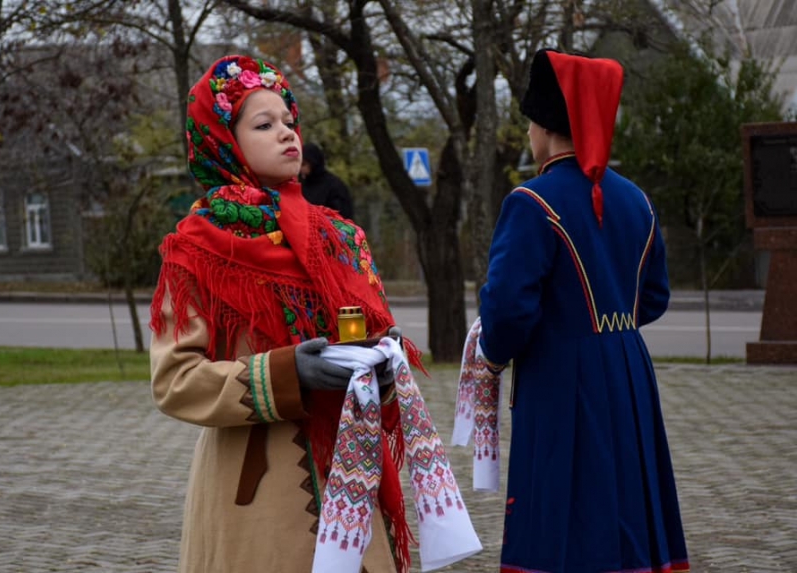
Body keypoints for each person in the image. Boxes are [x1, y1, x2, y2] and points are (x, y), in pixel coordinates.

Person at [149, 55, 418, 573]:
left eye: (289, 122)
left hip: (351, 477)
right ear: (224, 140)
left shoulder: (340, 237)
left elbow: (372, 334)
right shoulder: (198, 248)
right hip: (258, 494)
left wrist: (385, 365)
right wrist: (284, 372)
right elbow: (174, 380)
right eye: (264, 124)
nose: (286, 134)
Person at [477, 49, 690, 572]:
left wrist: (491, 353)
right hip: (628, 367)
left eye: (530, 122)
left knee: (564, 498)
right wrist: (611, 324)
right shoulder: (637, 199)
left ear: (545, 127)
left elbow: (507, 310)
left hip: (561, 371)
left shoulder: (531, 201)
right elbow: (655, 297)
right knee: (625, 489)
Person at [300, 142, 355, 219]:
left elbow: (343, 216)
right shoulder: (302, 186)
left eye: (303, 164)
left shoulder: (335, 186)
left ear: (314, 163)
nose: (300, 169)